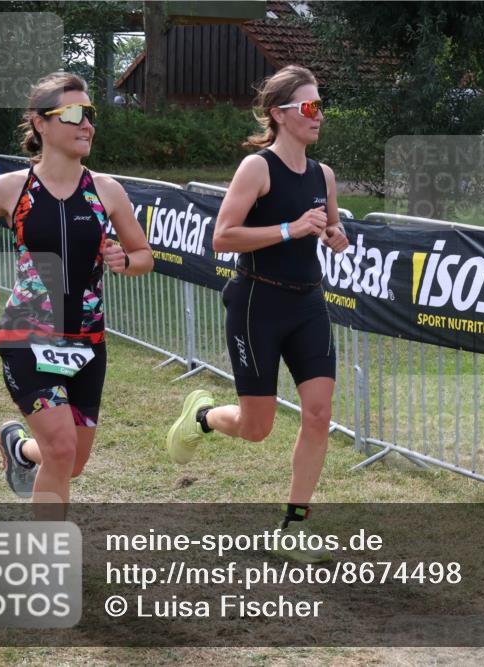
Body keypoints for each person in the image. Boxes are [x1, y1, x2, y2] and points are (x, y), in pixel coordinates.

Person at [0, 72, 153, 516]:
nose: (87, 125)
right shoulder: (10, 189)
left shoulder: (107, 191)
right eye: (74, 114)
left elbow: (144, 256)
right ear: (41, 123)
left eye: (90, 114)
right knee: (60, 448)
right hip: (28, 335)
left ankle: (19, 449)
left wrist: (126, 261)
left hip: (88, 341)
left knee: (72, 461)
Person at [166, 65, 349, 563]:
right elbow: (222, 237)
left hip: (308, 303)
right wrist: (290, 229)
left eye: (320, 105)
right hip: (257, 304)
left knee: (319, 413)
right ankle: (202, 417)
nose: (318, 115)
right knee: (257, 426)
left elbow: (330, 230)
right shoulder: (258, 168)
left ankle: (294, 526)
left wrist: (334, 235)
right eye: (309, 106)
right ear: (279, 114)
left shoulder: (323, 175)